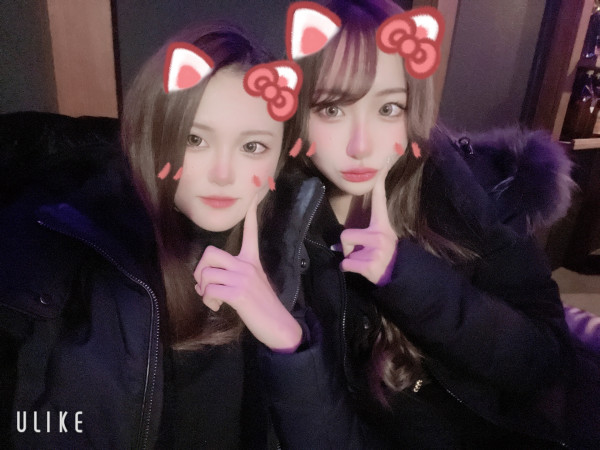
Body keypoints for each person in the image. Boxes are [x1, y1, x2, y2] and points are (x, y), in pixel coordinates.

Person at [0, 22, 370, 449]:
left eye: (252, 146)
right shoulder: (59, 246)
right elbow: (28, 423)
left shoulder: (303, 249)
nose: (223, 174)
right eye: (195, 139)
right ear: (153, 134)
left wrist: (290, 341)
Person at [266, 0, 598, 447]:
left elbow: (544, 362)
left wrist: (406, 276)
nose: (361, 145)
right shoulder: (282, 231)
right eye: (332, 109)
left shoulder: (459, 194)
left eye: (388, 108)